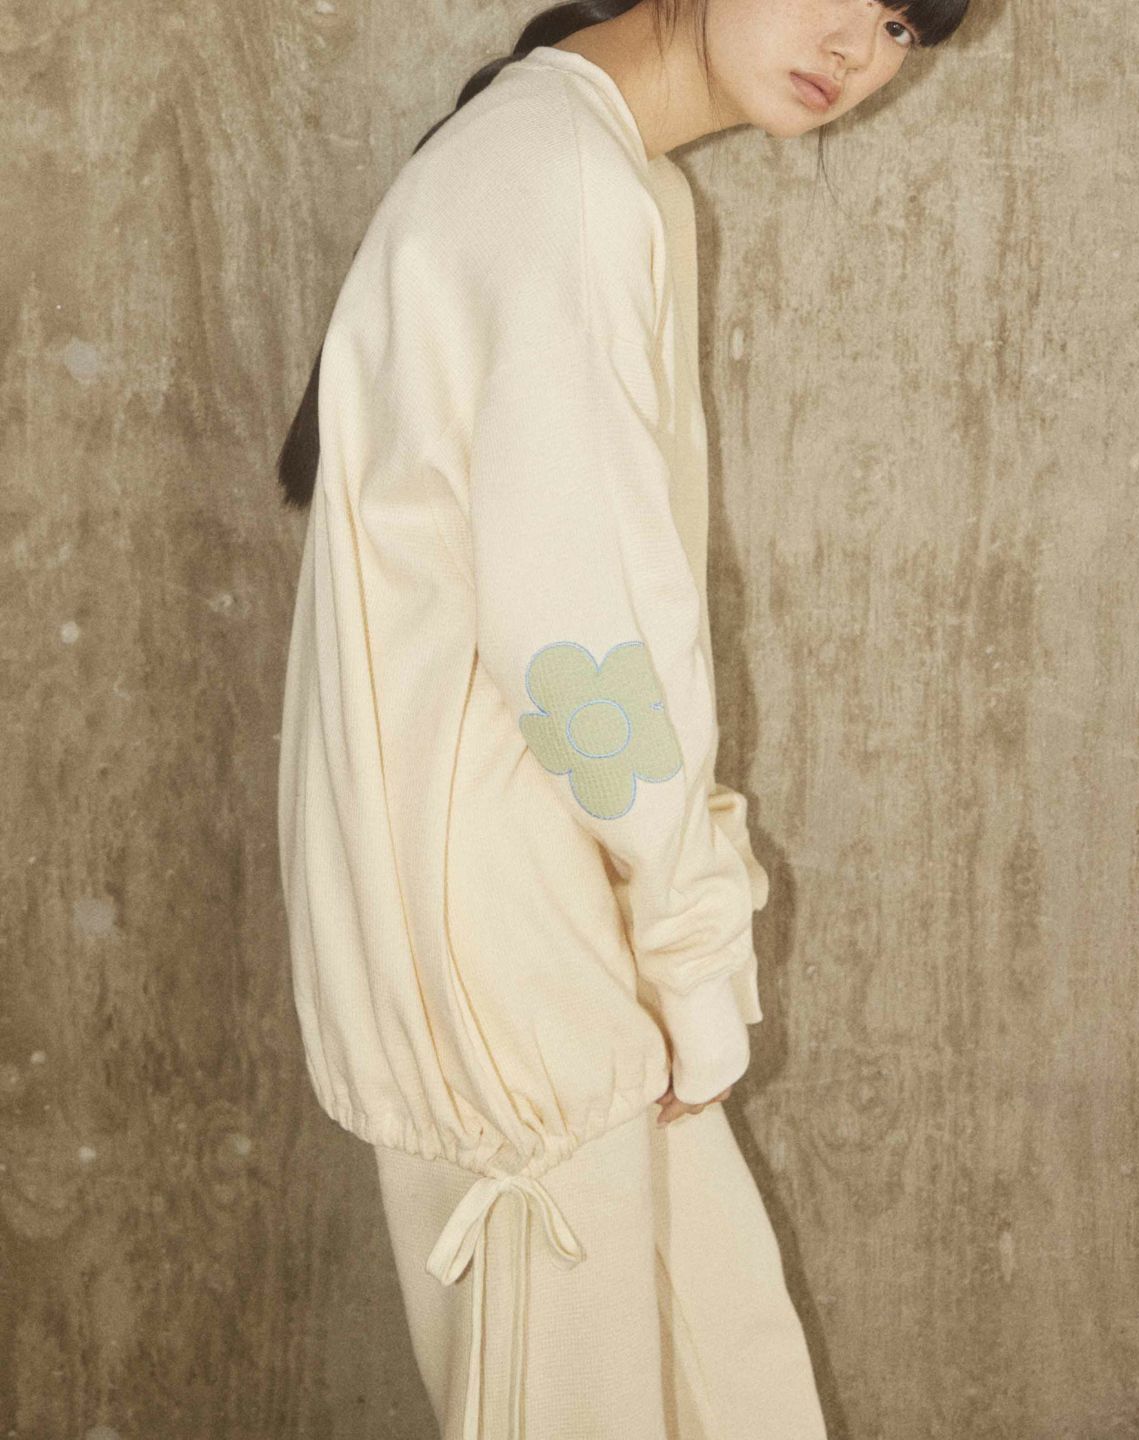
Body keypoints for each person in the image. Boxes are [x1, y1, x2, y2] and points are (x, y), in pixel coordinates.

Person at [275, 1, 968, 1434]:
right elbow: (585, 640)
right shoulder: (565, 177)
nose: (860, 41)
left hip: (527, 906)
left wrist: (669, 939)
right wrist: (692, 949)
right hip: (514, 949)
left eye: (906, 22)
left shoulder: (592, 167)